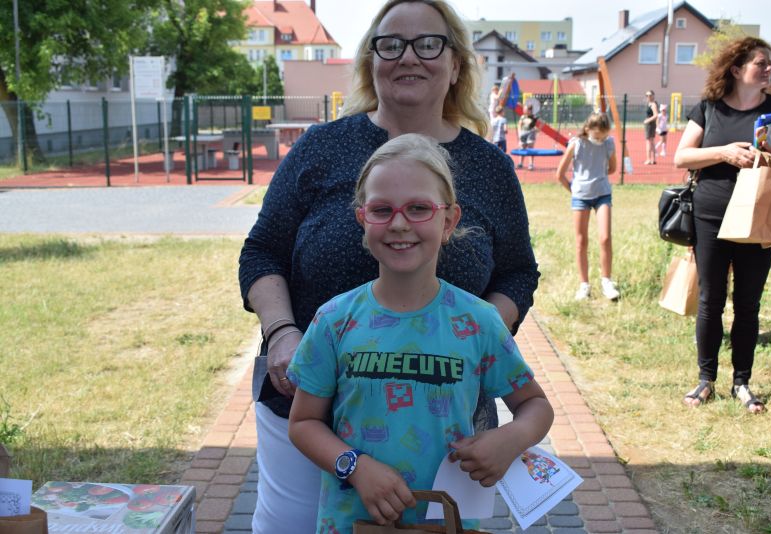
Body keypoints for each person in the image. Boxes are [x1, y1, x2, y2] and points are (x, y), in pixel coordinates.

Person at [238, 0, 540, 531]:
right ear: (370, 60)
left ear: (456, 64)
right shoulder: (320, 148)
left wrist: (472, 337)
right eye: (391, 43)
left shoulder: (490, 167)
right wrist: (283, 333)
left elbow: (517, 271)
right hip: (308, 405)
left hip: (443, 417)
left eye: (429, 43)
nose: (409, 56)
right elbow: (263, 249)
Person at [287, 133, 554, 534]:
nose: (399, 224)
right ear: (363, 220)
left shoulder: (478, 322)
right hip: (352, 523)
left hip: (447, 522)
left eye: (418, 208)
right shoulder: (334, 321)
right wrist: (355, 466)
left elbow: (535, 405)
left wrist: (512, 437)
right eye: (382, 209)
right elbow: (303, 423)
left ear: (449, 221)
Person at [675, 36, 771, 413]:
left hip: (760, 215)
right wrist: (725, 153)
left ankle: (742, 383)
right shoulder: (710, 107)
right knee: (710, 300)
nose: (768, 69)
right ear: (736, 69)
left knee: (748, 303)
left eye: (769, 63)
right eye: (760, 63)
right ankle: (706, 380)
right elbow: (682, 157)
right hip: (710, 215)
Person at [556, 112, 620, 301]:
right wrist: (575, 191)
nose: (600, 140)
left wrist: (598, 174)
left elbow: (612, 168)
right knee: (581, 241)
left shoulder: (609, 143)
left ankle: (606, 281)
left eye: (603, 136)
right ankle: (584, 284)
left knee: (605, 237)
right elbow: (560, 174)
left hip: (602, 194)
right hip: (580, 197)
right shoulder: (576, 144)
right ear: (587, 129)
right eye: (597, 136)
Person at [517, 103, 538, 170]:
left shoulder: (534, 117)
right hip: (523, 133)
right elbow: (519, 124)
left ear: (529, 110)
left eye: (525, 109)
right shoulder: (523, 117)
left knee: (530, 148)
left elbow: (539, 125)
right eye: (524, 109)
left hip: (530, 133)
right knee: (522, 148)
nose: (524, 110)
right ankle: (520, 163)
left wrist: (537, 130)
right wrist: (519, 133)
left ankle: (531, 164)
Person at [643, 90, 659, 164]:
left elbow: (656, 115)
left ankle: (649, 159)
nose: (648, 97)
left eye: (650, 95)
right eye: (647, 95)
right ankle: (653, 159)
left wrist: (647, 120)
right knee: (651, 142)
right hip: (651, 124)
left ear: (653, 96)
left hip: (650, 125)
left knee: (649, 142)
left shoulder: (653, 104)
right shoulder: (649, 104)